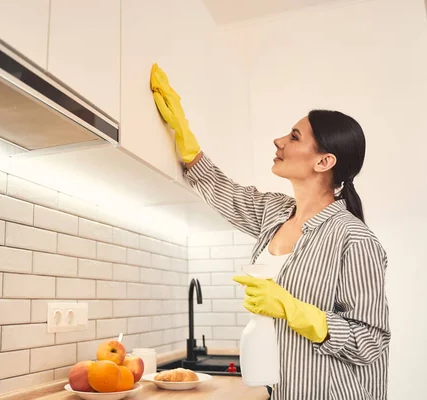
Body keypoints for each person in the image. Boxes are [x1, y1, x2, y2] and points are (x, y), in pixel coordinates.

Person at [150, 64, 390, 400]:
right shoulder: (274, 212)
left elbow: (370, 342)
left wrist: (294, 310)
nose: (279, 140)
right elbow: (224, 191)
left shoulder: (355, 239)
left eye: (294, 137)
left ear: (324, 162)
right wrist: (183, 134)